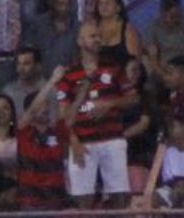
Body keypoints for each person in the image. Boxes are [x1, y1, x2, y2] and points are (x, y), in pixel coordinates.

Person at [56, 23, 138, 207]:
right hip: (82, 143)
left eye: (99, 36)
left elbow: (133, 98)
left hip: (113, 140)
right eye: (92, 36)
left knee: (120, 196)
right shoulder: (68, 75)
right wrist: (73, 141)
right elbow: (63, 115)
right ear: (80, 41)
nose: (97, 40)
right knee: (82, 199)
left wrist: (110, 103)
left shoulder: (114, 68)